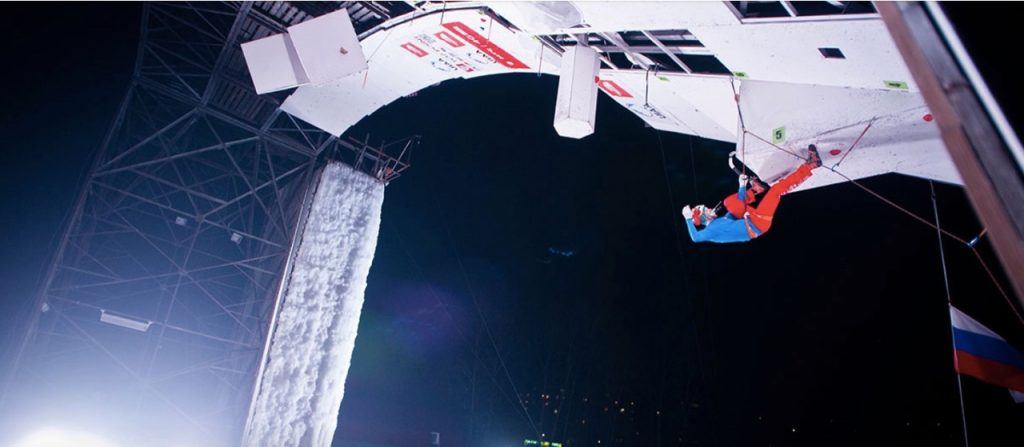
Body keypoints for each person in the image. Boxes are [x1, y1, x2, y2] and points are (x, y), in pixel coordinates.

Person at [682, 145, 822, 243]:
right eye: (706, 210)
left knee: (729, 202)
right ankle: (811, 164)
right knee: (776, 191)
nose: (710, 209)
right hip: (758, 224)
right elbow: (696, 238)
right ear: (703, 217)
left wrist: (742, 185)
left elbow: (739, 205)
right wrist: (688, 218)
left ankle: (757, 189)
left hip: (752, 218)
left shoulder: (720, 221)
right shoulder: (711, 230)